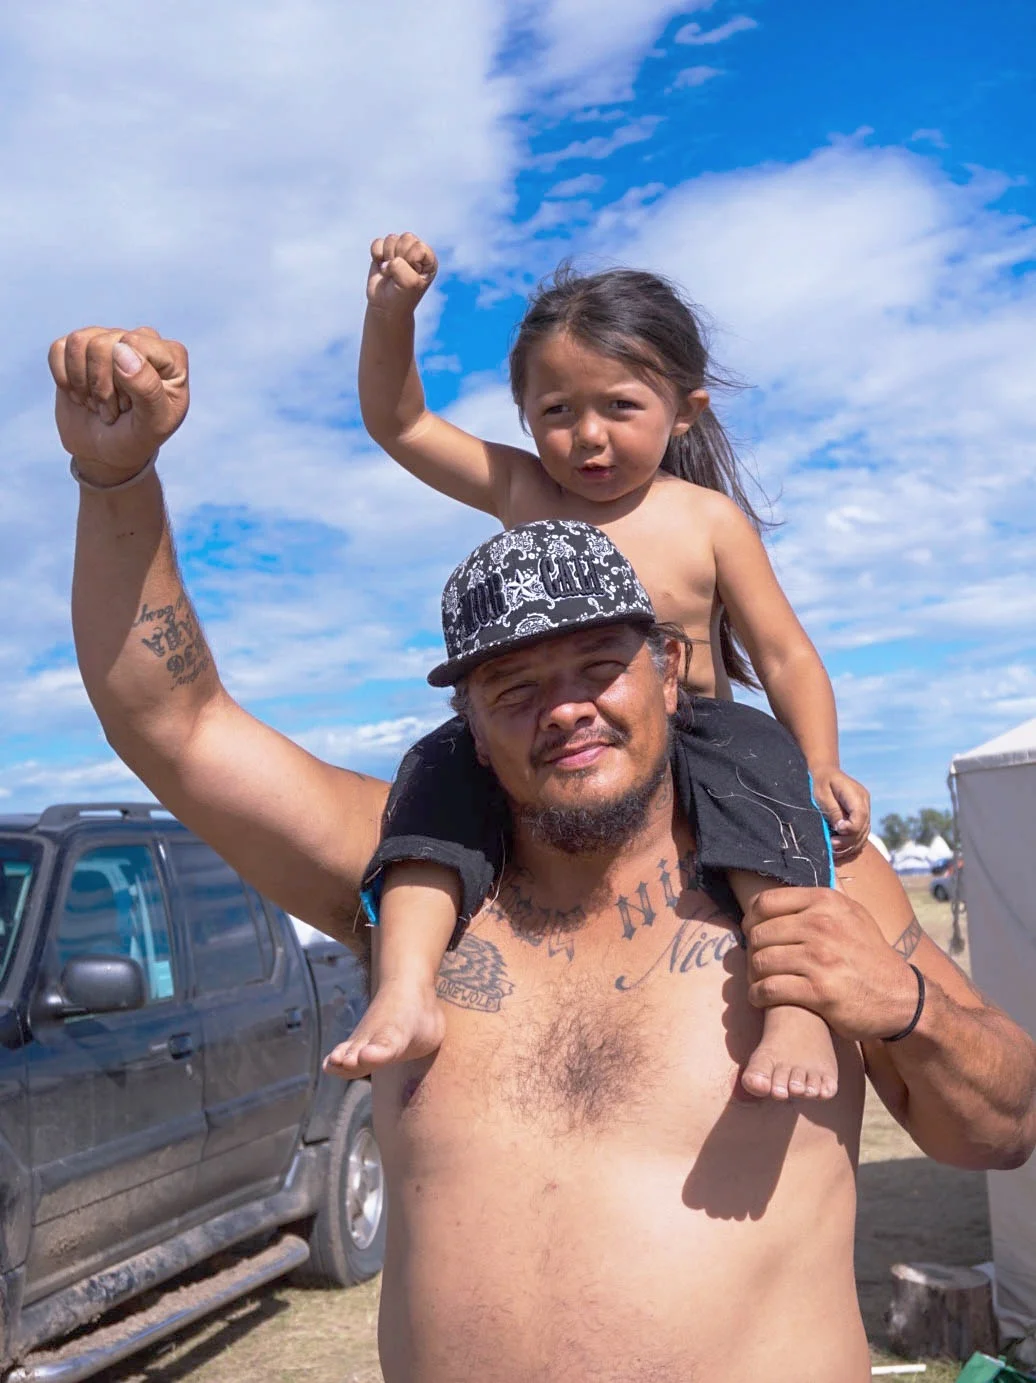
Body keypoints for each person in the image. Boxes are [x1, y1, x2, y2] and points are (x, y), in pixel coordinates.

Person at [54, 324, 1036, 1383]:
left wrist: (903, 1006)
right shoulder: (399, 878)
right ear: (468, 723)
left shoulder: (811, 875)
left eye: (598, 666)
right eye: (514, 690)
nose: (566, 710)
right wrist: (116, 478)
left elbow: (1001, 1128)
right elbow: (174, 721)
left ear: (668, 670)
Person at [341, 232, 870, 1098]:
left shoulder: (706, 519)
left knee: (767, 772)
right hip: (556, 737)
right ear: (525, 418)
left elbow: (783, 652)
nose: (587, 437)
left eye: (620, 406)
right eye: (556, 412)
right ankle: (405, 984)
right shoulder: (521, 491)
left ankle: (797, 1011)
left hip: (699, 731)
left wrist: (819, 762)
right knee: (433, 767)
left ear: (684, 409)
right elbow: (398, 422)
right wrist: (392, 312)